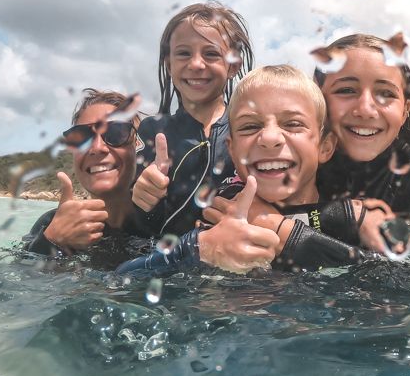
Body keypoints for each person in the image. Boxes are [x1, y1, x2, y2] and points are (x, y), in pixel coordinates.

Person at [117, 65, 376, 276]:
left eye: (293, 124)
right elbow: (120, 279)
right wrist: (197, 249)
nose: (270, 138)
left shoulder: (353, 220)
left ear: (325, 147)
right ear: (231, 149)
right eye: (250, 126)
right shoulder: (219, 219)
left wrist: (286, 232)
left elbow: (391, 283)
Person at [313, 34, 410, 262]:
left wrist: (343, 217)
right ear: (317, 98)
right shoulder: (296, 154)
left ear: (405, 111)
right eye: (346, 90)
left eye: (386, 93)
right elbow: (260, 219)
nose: (366, 109)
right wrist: (353, 215)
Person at [131, 2, 252, 237]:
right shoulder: (152, 131)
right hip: (166, 255)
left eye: (211, 54)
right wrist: (143, 199)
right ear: (169, 64)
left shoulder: (249, 129)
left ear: (233, 66)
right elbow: (139, 227)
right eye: (184, 53)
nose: (196, 64)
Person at [23, 89, 144, 264]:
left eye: (116, 132)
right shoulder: (51, 224)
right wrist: (52, 241)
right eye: (82, 138)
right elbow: (18, 274)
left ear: (139, 147)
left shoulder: (165, 223)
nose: (96, 148)